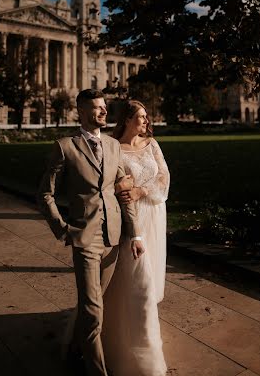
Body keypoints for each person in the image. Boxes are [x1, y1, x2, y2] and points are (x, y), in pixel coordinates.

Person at [37, 89, 144, 376]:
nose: (103, 112)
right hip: (83, 238)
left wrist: (134, 233)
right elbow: (45, 194)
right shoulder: (65, 147)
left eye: (104, 107)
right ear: (82, 112)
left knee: (93, 308)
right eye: (97, 108)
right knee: (93, 309)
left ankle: (73, 351)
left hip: (113, 237)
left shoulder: (112, 146)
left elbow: (124, 192)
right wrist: (62, 229)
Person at [102, 99, 170, 376]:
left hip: (153, 210)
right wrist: (123, 189)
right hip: (130, 216)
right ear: (127, 119)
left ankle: (145, 319)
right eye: (141, 117)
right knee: (132, 272)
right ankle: (129, 332)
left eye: (146, 117)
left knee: (150, 269)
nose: (145, 121)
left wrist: (142, 191)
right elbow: (108, 182)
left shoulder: (151, 144)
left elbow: (164, 176)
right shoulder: (113, 147)